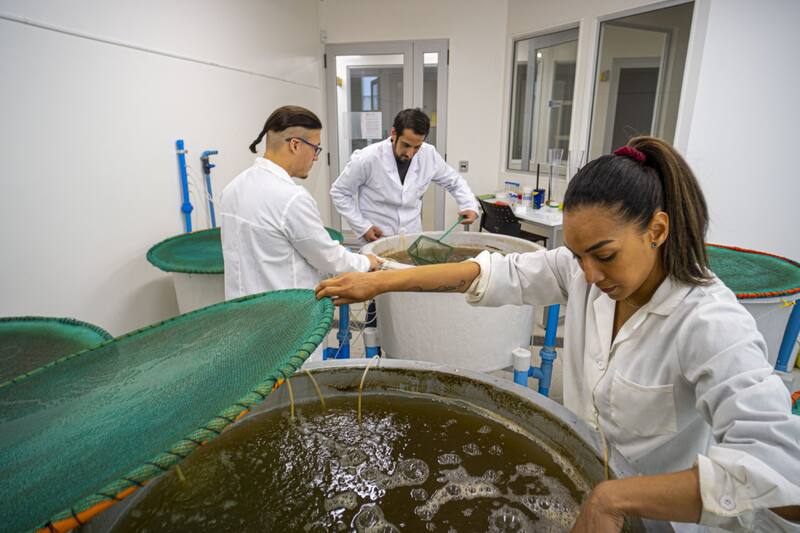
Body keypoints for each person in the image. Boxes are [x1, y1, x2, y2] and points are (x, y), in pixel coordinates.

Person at [317, 137, 800, 532]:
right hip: (584, 477)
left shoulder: (710, 321)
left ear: (656, 229)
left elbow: (781, 471)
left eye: (604, 255)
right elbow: (491, 273)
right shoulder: (585, 275)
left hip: (659, 517)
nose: (588, 275)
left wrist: (614, 499)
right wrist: (380, 279)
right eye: (577, 255)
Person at [219, 106, 378, 359]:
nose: (315, 157)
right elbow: (327, 257)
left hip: (244, 325)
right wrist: (366, 262)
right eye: (315, 148)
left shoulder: (233, 188)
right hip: (287, 329)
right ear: (295, 144)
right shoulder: (290, 197)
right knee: (296, 394)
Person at [330, 108, 480, 242]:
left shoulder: (429, 154)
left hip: (412, 237)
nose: (410, 153)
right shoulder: (367, 158)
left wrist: (469, 205)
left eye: (417, 147)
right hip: (377, 236)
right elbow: (339, 192)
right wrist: (362, 227)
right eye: (406, 145)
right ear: (394, 133)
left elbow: (454, 181)